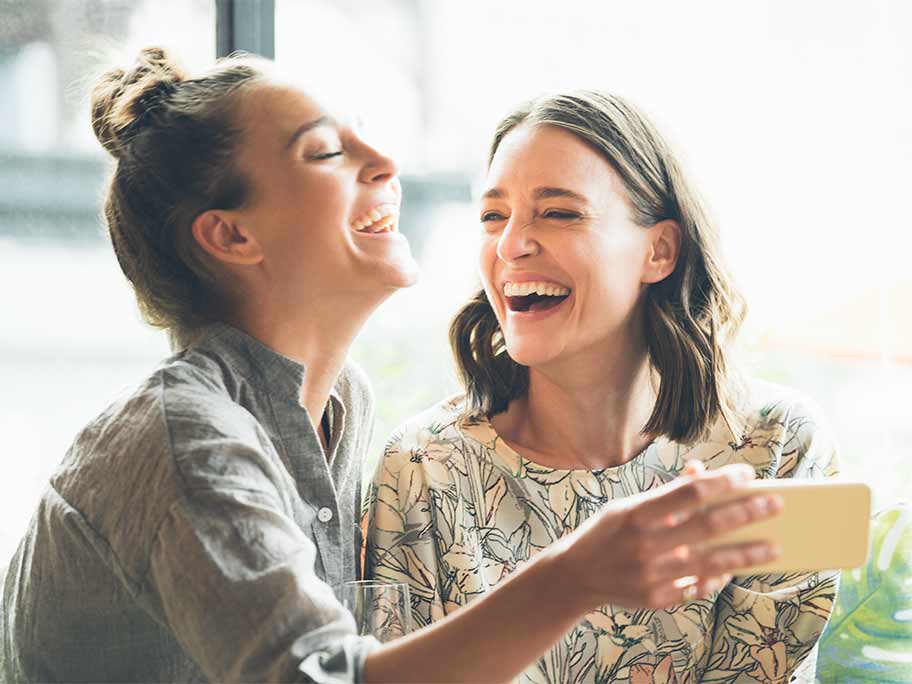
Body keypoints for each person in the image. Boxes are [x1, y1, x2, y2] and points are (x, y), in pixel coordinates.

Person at [0, 50, 783, 683]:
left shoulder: (342, 407)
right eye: (328, 152)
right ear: (233, 238)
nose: (384, 163)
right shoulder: (185, 441)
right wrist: (572, 578)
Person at [365, 90, 840, 683]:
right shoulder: (420, 465)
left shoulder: (781, 447)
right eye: (493, 216)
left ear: (659, 250)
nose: (511, 243)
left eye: (559, 212)